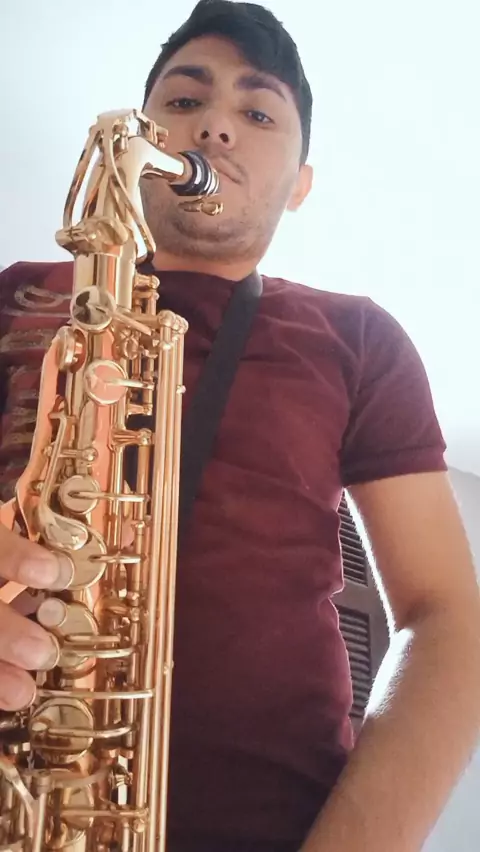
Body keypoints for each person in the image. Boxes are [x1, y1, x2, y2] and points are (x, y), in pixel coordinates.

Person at [0, 2, 479, 851]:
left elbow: (446, 617)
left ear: (301, 185)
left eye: (258, 114)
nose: (215, 126)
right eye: (184, 101)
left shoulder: (358, 336)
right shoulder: (16, 293)